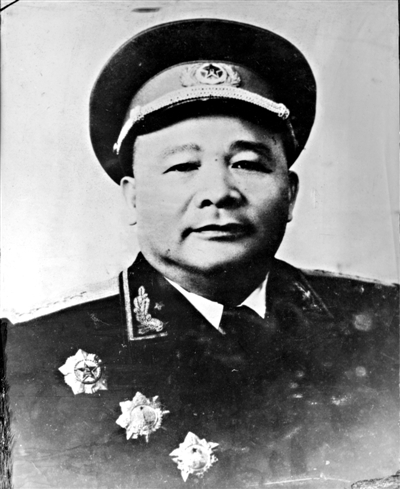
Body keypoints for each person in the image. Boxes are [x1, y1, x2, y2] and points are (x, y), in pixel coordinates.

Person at [3, 18, 398, 489]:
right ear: (133, 197)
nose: (219, 192)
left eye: (247, 163)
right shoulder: (28, 358)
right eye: (183, 166)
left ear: (290, 194)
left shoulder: (386, 324)